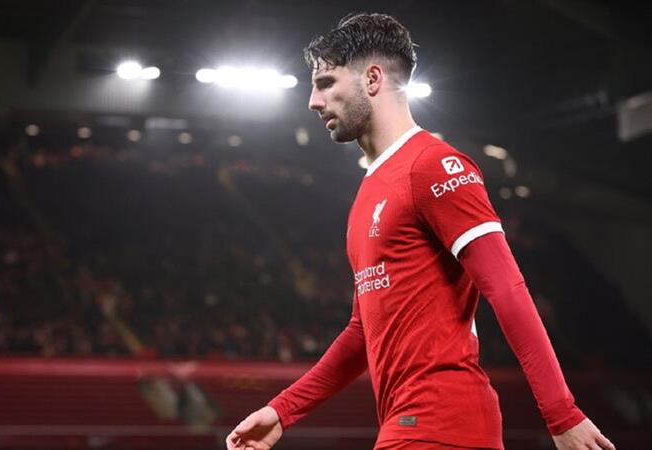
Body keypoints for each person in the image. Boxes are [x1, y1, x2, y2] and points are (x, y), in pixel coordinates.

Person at [226, 12, 615, 450]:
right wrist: (283, 410)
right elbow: (362, 332)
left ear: (372, 79)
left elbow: (506, 288)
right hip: (411, 424)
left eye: (326, 83)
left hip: (443, 423)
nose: (314, 101)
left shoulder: (434, 165)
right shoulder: (369, 191)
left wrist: (561, 414)